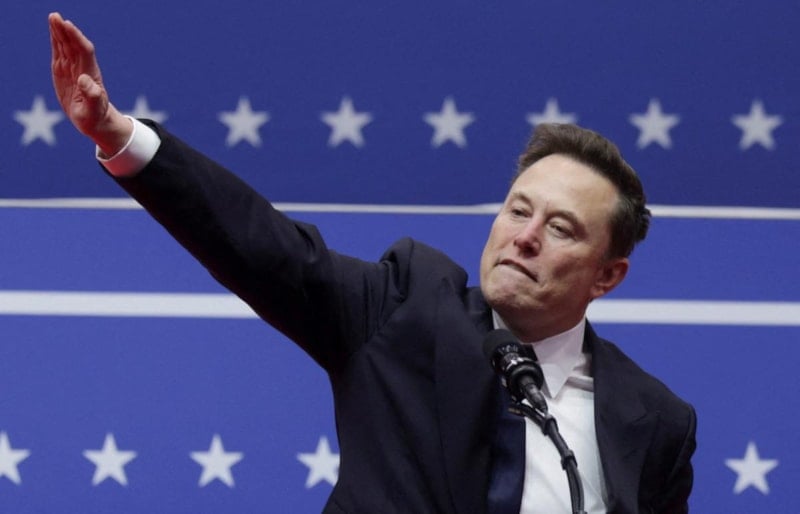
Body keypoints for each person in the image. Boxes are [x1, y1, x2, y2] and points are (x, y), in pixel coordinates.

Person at [48, 12, 696, 514]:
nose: (525, 237)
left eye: (558, 228)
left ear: (607, 275)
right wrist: (120, 137)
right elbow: (261, 247)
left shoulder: (655, 420)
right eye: (517, 210)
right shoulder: (404, 309)